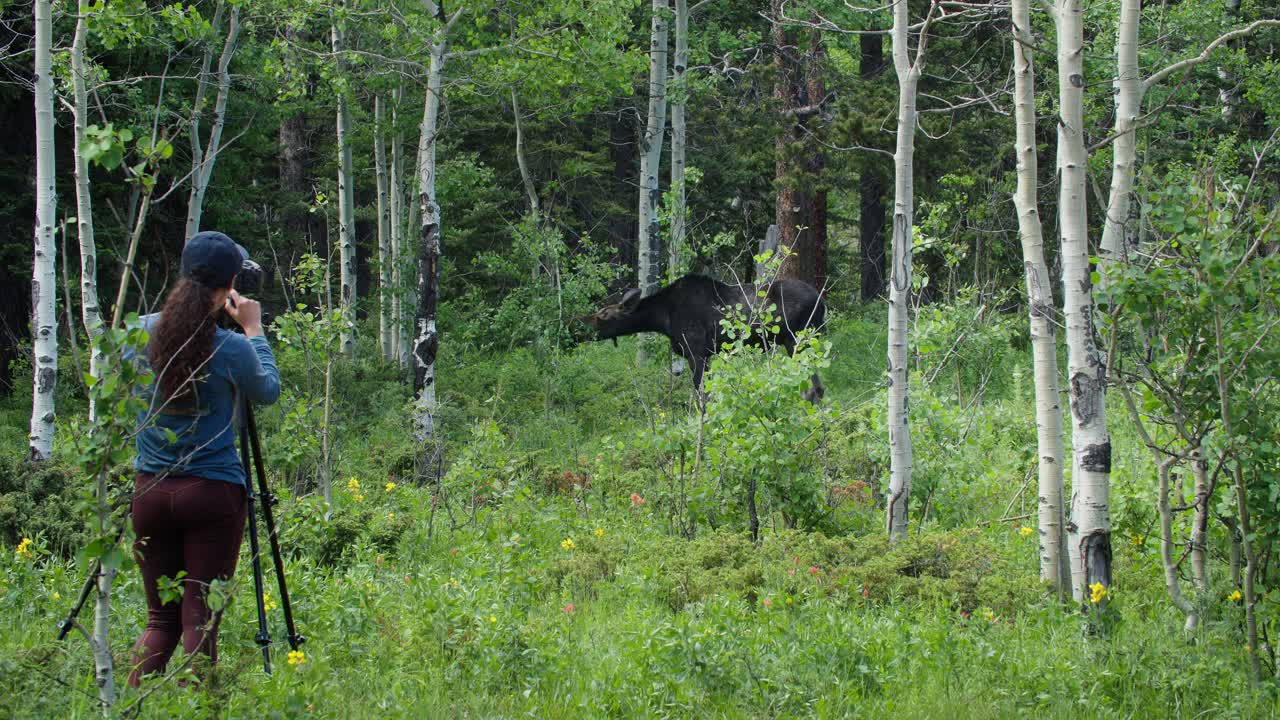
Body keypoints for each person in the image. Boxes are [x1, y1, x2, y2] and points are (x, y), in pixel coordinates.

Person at [127, 231, 280, 687]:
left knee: (161, 622)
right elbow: (267, 392)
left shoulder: (135, 332)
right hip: (212, 491)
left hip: (150, 490)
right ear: (232, 281)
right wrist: (253, 331)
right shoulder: (230, 346)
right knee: (200, 620)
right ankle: (202, 708)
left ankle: (120, 706)